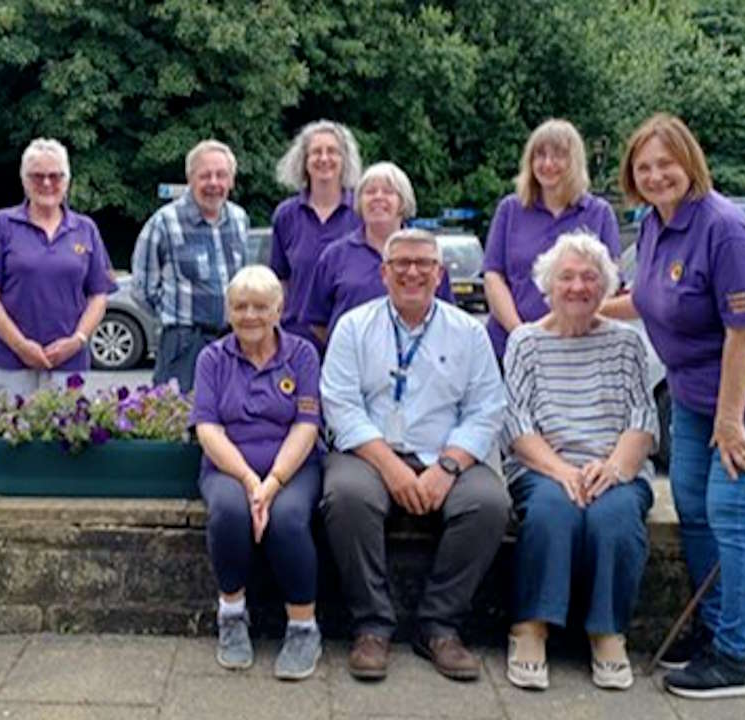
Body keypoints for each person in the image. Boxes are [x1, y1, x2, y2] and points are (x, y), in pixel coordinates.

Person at [603, 113, 745, 700]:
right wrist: (585, 314)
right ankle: (713, 628)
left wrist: (730, 420)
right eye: (644, 167)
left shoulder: (725, 229)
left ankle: (735, 656)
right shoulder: (654, 225)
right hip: (694, 396)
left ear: (689, 162)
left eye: (666, 163)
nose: (655, 175)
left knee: (734, 515)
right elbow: (647, 299)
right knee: (692, 507)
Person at [320, 229, 508, 683]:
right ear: (384, 272)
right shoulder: (353, 326)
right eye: (401, 263)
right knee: (345, 497)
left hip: (447, 455)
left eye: (424, 264)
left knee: (489, 504)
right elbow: (340, 404)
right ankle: (371, 625)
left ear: (439, 274)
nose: (412, 272)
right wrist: (391, 467)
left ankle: (439, 626)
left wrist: (447, 467)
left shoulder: (468, 333)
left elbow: (487, 409)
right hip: (369, 454)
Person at [500, 231, 658, 692]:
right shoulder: (526, 342)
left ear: (605, 286)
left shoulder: (626, 343)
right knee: (552, 512)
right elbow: (516, 423)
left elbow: (643, 418)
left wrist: (612, 468)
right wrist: (563, 471)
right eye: (566, 277)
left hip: (613, 465)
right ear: (549, 285)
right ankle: (530, 628)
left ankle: (607, 632)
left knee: (615, 518)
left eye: (590, 277)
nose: (577, 287)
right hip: (545, 466)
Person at [190, 265, 323, 680]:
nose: (250, 315)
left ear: (278, 309)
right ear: (228, 311)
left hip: (293, 465)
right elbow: (207, 429)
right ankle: (231, 616)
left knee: (287, 518)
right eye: (240, 306)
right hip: (229, 466)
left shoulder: (301, 354)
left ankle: (303, 627)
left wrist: (273, 482)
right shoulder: (212, 357)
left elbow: (306, 425)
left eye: (261, 306)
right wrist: (251, 482)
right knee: (230, 512)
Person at [0, 138, 116, 398]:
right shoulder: (1, 225)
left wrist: (78, 340)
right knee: (9, 436)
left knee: (66, 436)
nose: (47, 183)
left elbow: (98, 296)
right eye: (37, 176)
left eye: (55, 176)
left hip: (68, 363)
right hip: (9, 362)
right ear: (24, 181)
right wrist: (20, 345)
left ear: (67, 180)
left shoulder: (85, 229)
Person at [483, 118, 621, 359]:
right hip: (510, 348)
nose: (547, 164)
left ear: (574, 161)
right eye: (540, 155)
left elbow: (609, 283)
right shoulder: (510, 209)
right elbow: (493, 276)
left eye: (558, 156)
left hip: (577, 351)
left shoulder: (599, 213)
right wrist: (522, 334)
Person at [132, 139, 249, 392]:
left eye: (221, 175)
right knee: (179, 421)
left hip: (233, 339)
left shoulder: (239, 219)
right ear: (190, 178)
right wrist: (174, 316)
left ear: (231, 180)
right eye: (205, 175)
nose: (214, 183)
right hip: (183, 343)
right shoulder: (164, 222)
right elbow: (142, 289)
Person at [302, 162, 453, 346]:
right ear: (359, 202)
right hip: (353, 366)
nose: (378, 198)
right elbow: (318, 322)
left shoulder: (427, 254)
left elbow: (446, 317)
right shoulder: (335, 256)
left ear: (403, 202)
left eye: (388, 192)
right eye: (370, 192)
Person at [269, 120, 363, 348]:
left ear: (345, 160)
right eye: (316, 152)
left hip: (352, 340)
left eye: (332, 152)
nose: (324, 158)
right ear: (304, 161)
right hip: (296, 339)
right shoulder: (286, 215)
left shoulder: (362, 212)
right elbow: (280, 280)